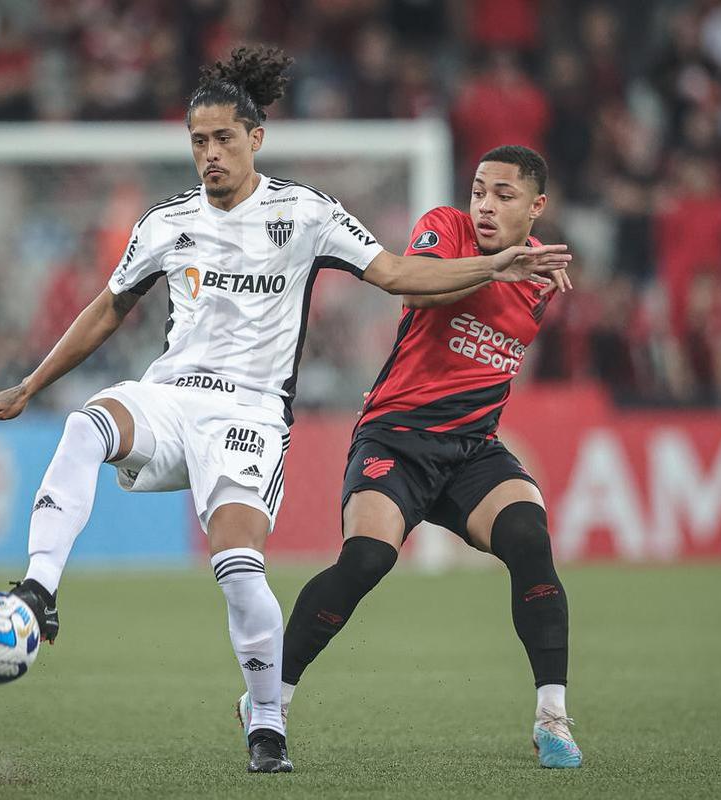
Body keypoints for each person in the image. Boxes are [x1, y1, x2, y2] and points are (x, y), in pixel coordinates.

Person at [0, 48, 572, 774]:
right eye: (197, 141)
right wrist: (28, 384)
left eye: (223, 138)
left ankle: (269, 725)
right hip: (175, 399)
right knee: (85, 423)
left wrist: (497, 267)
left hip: (250, 419)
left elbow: (390, 273)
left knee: (240, 569)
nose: (210, 153)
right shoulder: (166, 222)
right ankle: (38, 590)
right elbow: (108, 308)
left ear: (255, 138)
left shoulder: (306, 214)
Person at [238, 145, 584, 769]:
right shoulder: (444, 228)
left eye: (505, 196)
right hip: (395, 439)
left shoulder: (539, 280)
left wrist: (515, 268)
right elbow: (419, 294)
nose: (485, 204)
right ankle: (270, 699)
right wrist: (496, 267)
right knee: (368, 557)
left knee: (531, 537)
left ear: (536, 208)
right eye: (480, 190)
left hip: (472, 450)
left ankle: (552, 717)